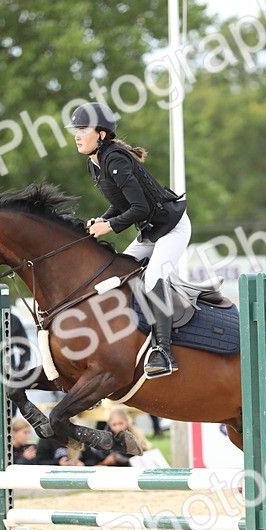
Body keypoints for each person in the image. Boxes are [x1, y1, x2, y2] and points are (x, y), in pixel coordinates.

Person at [67, 102, 190, 378]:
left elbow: (141, 209)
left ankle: (164, 352)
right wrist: (102, 220)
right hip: (150, 231)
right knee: (117, 271)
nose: (77, 135)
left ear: (101, 134)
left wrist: (108, 227)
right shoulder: (95, 163)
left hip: (172, 227)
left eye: (82, 129)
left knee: (153, 276)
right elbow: (121, 204)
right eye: (76, 129)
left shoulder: (115, 159)